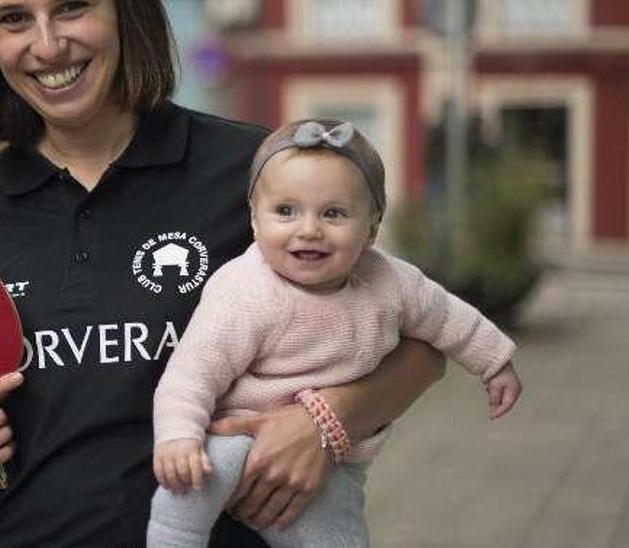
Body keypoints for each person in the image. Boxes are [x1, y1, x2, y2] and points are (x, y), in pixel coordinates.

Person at [0, 2, 447, 546]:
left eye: (72, 8)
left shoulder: (251, 172)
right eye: (13, 19)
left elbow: (423, 347)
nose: (48, 44)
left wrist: (323, 423)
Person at [146, 119, 524, 547]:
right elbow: (191, 374)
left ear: (372, 227)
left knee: (338, 535)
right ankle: (174, 539)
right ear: (254, 219)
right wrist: (179, 437)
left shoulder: (391, 282)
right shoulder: (244, 292)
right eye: (285, 211)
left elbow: (448, 317)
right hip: (238, 438)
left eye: (333, 213)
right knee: (194, 478)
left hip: (330, 468)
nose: (309, 229)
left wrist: (494, 362)